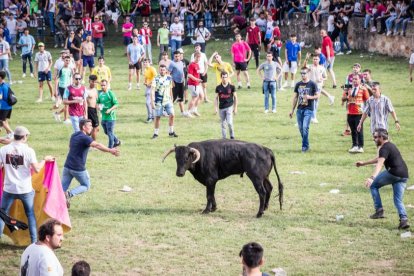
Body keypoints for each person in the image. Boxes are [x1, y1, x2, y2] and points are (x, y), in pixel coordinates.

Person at [0, 126, 53, 243]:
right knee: (30, 215)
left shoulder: (3, 150)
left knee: (2, 215)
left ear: (14, 136)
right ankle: (34, 242)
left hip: (9, 188)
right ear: (24, 137)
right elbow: (38, 169)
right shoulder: (29, 151)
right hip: (25, 189)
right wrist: (45, 159)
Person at [356, 128, 410, 230]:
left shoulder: (384, 148)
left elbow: (380, 164)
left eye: (376, 137)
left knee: (373, 186)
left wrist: (372, 178)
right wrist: (364, 163)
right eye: (374, 137)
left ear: (381, 137)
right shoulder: (390, 145)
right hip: (404, 175)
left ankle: (379, 210)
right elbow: (379, 159)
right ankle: (403, 220)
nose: (374, 139)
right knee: (398, 200)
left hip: (394, 173)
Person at [63, 119, 120, 207]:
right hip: (78, 168)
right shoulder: (85, 138)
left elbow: (70, 147)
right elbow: (97, 145)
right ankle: (68, 194)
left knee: (61, 189)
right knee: (86, 185)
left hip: (67, 166)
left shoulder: (74, 135)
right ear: (84, 127)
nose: (91, 127)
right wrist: (110, 150)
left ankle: (57, 206)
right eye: (89, 126)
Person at [289, 67, 320, 153]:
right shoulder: (298, 84)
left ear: (308, 73)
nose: (303, 75)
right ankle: (306, 144)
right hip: (299, 109)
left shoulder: (312, 84)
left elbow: (318, 96)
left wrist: (310, 97)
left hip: (309, 109)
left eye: (304, 73)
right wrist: (292, 110)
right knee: (301, 129)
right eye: (301, 73)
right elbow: (295, 97)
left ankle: (304, 147)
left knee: (305, 127)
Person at [303, 53, 335, 123]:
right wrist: (306, 58)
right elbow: (304, 67)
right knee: (311, 102)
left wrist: (322, 79)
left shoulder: (322, 68)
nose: (315, 60)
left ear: (319, 60)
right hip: (310, 86)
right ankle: (311, 117)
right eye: (314, 59)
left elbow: (326, 77)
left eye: (316, 59)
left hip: (318, 86)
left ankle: (313, 117)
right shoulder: (310, 67)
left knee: (316, 102)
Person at [342, 74, 369, 153]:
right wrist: (347, 95)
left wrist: (366, 111)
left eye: (356, 79)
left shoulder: (363, 89)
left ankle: (360, 146)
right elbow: (343, 99)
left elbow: (368, 101)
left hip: (359, 112)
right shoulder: (348, 89)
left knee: (359, 129)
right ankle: (354, 145)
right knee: (353, 130)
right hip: (350, 112)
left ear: (360, 80)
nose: (354, 80)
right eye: (353, 79)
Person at [151, 64, 178, 139]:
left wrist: (172, 98)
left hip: (168, 100)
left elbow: (170, 89)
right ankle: (156, 133)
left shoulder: (169, 78)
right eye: (161, 70)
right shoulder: (155, 79)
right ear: (159, 70)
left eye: (163, 70)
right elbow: (152, 91)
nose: (162, 71)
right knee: (158, 117)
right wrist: (152, 101)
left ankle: (171, 132)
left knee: (172, 115)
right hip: (158, 101)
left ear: (166, 70)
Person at [97, 79, 120, 148]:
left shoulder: (110, 93)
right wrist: (98, 106)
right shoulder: (100, 94)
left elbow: (116, 104)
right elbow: (98, 102)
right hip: (103, 117)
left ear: (107, 85)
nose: (103, 87)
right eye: (101, 85)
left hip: (111, 117)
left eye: (104, 85)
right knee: (106, 132)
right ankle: (117, 141)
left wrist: (110, 110)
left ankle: (110, 147)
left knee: (109, 132)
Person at [215, 71, 238, 139]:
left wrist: (235, 108)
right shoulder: (218, 87)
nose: (224, 79)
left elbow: (236, 97)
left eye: (225, 77)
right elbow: (216, 98)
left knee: (229, 123)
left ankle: (232, 136)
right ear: (221, 78)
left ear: (228, 77)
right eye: (223, 77)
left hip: (229, 107)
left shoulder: (232, 87)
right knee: (223, 124)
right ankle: (224, 138)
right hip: (221, 108)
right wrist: (215, 108)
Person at [168, 50, 189, 117]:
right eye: (175, 56)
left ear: (180, 56)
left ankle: (182, 112)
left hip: (181, 82)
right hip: (175, 83)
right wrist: (172, 81)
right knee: (172, 98)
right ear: (174, 56)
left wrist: (184, 80)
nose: (177, 57)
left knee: (181, 98)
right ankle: (166, 111)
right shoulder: (172, 63)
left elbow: (183, 72)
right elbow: (168, 73)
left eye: (178, 56)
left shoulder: (182, 63)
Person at [54, 55, 73, 124]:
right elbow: (57, 79)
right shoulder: (61, 70)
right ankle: (65, 119)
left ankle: (57, 113)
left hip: (68, 88)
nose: (67, 62)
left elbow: (70, 79)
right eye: (66, 60)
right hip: (62, 88)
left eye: (68, 60)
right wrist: (56, 90)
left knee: (70, 104)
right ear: (64, 61)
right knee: (66, 104)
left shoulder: (70, 69)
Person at [187, 52, 203, 117]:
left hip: (198, 84)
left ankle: (194, 110)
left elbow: (197, 74)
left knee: (201, 96)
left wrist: (199, 82)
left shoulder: (197, 64)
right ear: (194, 57)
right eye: (197, 57)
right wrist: (196, 80)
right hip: (193, 84)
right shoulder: (192, 65)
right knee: (194, 98)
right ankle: (188, 112)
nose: (198, 58)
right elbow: (189, 75)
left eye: (199, 57)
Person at [0, 71, 15, 138]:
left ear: (0, 78)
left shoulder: (3, 86)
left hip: (4, 107)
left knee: (1, 121)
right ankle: (9, 134)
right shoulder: (5, 85)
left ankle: (12, 133)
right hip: (8, 107)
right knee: (5, 121)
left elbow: (4, 97)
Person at [142, 59, 157, 123]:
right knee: (150, 103)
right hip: (148, 87)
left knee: (148, 103)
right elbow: (146, 78)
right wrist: (145, 83)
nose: (145, 63)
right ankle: (153, 116)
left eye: (146, 62)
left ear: (149, 63)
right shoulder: (145, 70)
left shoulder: (152, 69)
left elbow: (155, 77)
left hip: (152, 87)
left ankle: (150, 117)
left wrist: (150, 83)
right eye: (144, 62)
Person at [86, 75, 99, 140]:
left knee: (96, 128)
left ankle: (92, 143)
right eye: (92, 82)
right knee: (91, 128)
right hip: (89, 110)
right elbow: (84, 102)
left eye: (95, 82)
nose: (94, 83)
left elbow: (96, 101)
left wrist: (98, 112)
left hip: (94, 110)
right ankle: (92, 143)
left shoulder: (95, 90)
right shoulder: (86, 90)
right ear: (89, 81)